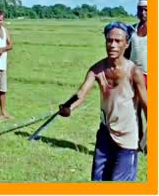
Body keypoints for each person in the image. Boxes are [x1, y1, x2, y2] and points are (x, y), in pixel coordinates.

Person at [58, 22, 147, 181]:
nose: (112, 45)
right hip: (105, 132)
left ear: (126, 44)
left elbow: (147, 105)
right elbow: (81, 93)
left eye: (118, 41)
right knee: (98, 181)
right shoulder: (97, 69)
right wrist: (68, 108)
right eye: (109, 40)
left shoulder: (134, 72)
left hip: (128, 135)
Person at [126, 0, 147, 152]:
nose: (143, 13)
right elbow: (126, 53)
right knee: (135, 111)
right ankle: (138, 142)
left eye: (146, 9)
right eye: (140, 9)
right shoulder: (132, 29)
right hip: (133, 75)